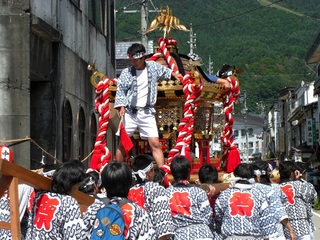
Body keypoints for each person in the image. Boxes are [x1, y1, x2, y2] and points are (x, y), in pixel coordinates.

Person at [114, 43, 182, 167]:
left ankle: (162, 173)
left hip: (147, 112)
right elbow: (120, 90)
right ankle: (118, 171)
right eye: (132, 60)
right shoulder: (126, 72)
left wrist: (177, 75)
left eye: (136, 60)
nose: (134, 63)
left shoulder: (153, 67)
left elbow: (167, 71)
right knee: (123, 143)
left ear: (142, 57)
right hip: (130, 112)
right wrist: (121, 106)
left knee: (155, 143)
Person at [83, 160, 157, 240]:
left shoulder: (93, 209)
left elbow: (81, 235)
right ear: (130, 183)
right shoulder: (138, 212)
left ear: (104, 183)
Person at [25, 160, 86, 239]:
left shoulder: (39, 196)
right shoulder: (68, 201)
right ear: (74, 184)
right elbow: (74, 235)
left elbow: (30, 227)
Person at [214, 163, 272, 239]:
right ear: (252, 176)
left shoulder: (224, 195)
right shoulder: (259, 195)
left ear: (235, 175)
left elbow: (218, 217)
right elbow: (266, 220)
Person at [165, 156, 214, 239]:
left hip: (180, 235)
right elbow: (208, 216)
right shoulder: (199, 192)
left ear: (172, 173)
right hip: (203, 234)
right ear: (189, 171)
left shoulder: (166, 194)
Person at [128, 154, 174, 240]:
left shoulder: (129, 191)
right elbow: (163, 225)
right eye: (153, 170)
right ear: (149, 173)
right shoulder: (156, 189)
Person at [252, 160, 296, 240]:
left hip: (254, 232)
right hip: (275, 232)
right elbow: (280, 211)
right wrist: (291, 230)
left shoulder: (249, 190)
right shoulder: (275, 188)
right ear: (269, 174)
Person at [279, 161, 317, 239]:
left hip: (286, 228)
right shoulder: (302, 185)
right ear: (294, 173)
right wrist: (299, 178)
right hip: (303, 227)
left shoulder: (276, 188)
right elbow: (313, 197)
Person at [295, 161, 317, 240]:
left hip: (288, 225)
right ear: (303, 173)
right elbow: (314, 199)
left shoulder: (286, 186)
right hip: (305, 223)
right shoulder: (309, 186)